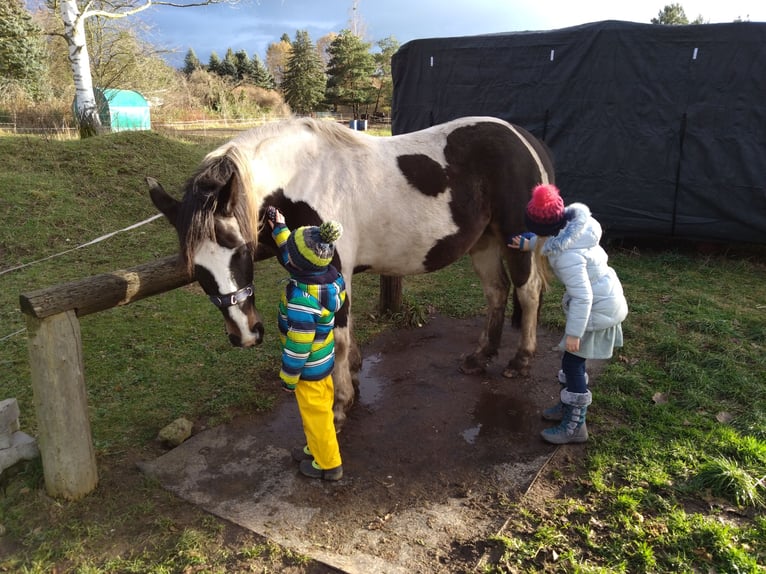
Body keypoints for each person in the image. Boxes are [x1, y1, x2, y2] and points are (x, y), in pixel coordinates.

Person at [508, 184, 628, 444]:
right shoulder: (574, 229)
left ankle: (576, 426)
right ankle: (568, 407)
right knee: (572, 362)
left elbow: (584, 296)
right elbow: (551, 242)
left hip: (596, 308)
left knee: (572, 362)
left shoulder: (567, 257)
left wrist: (574, 333)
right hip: (602, 300)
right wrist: (527, 244)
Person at [266, 206, 347, 480]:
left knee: (317, 415)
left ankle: (329, 464)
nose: (287, 257)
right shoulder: (330, 277)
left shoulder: (303, 301)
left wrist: (288, 377)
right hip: (323, 360)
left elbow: (298, 345)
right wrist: (279, 227)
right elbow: (293, 252)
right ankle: (316, 447)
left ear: (299, 265)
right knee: (320, 408)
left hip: (307, 368)